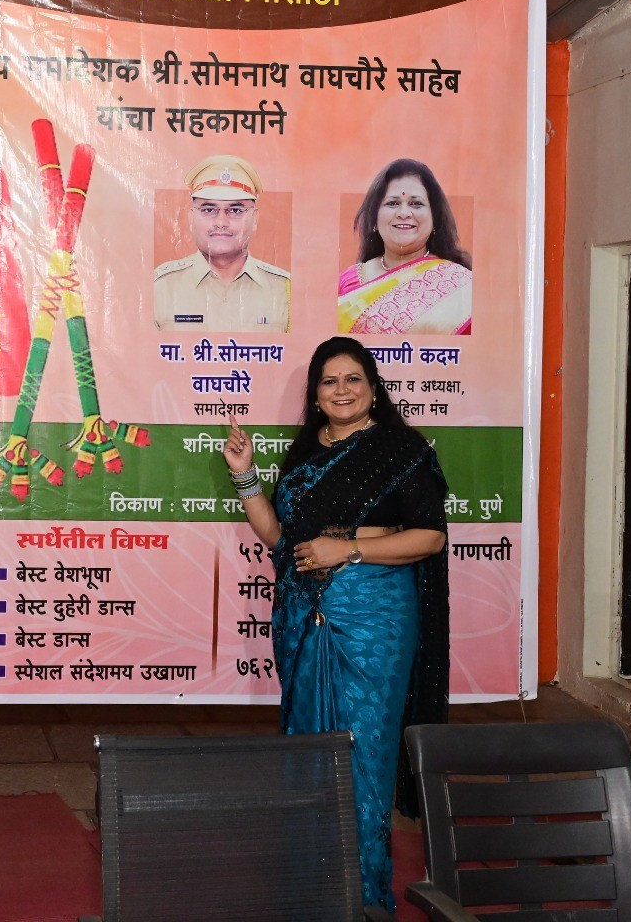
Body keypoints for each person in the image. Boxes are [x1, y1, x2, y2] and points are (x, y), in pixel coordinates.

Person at [221, 336, 450, 911]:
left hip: (373, 619)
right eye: (329, 381)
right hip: (303, 616)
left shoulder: (400, 450)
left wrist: (347, 548)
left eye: (353, 379)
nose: (341, 390)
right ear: (316, 394)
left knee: (364, 754)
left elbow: (430, 537)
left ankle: (364, 899)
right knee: (309, 751)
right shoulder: (305, 453)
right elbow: (280, 538)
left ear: (373, 389)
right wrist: (246, 477)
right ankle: (313, 888)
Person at [153, 154, 290, 331]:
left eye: (235, 210)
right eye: (209, 210)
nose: (221, 222)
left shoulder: (284, 290)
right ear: (191, 218)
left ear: (255, 218)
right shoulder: (160, 288)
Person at [337, 158, 472, 335]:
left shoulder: (461, 285)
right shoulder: (347, 280)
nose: (404, 213)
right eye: (392, 203)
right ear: (375, 218)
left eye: (416, 203)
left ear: (434, 219)